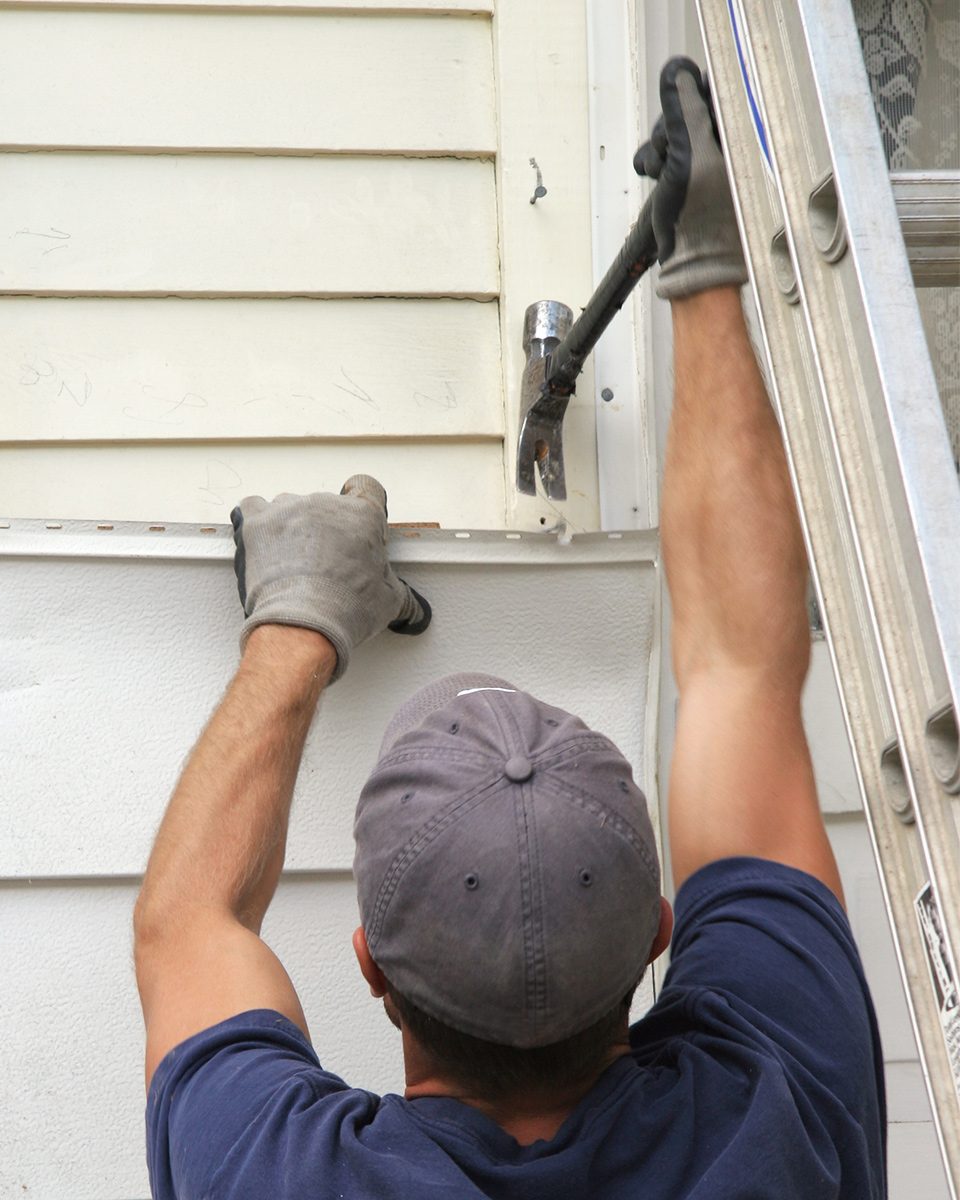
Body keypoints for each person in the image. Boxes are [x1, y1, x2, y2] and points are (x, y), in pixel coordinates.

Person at [132, 58, 886, 1198]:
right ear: (657, 939)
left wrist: (297, 623)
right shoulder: (778, 1100)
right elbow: (738, 673)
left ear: (370, 970)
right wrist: (712, 256)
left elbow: (187, 918)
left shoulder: (283, 1174)